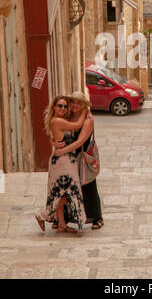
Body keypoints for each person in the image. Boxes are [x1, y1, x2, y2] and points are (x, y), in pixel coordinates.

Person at [34, 95, 90, 233]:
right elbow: (77, 125)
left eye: (65, 106)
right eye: (60, 106)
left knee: (60, 192)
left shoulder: (61, 120)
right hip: (62, 161)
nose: (63, 108)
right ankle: (44, 215)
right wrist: (85, 108)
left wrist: (54, 142)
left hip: (64, 159)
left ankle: (61, 225)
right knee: (67, 191)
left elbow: (56, 137)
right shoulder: (57, 121)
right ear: (54, 107)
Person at [53, 92, 104, 230]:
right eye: (73, 102)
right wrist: (54, 142)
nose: (75, 105)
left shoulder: (87, 120)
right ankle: (63, 218)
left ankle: (97, 217)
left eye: (79, 103)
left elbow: (80, 141)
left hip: (82, 157)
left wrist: (62, 151)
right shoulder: (68, 116)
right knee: (67, 187)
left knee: (89, 186)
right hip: (68, 158)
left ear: (83, 105)